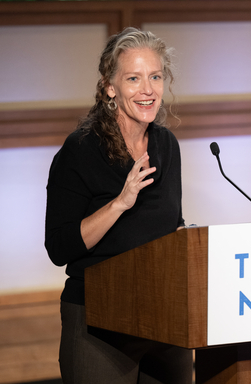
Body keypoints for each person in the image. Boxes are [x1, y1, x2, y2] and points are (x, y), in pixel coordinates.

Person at [45, 27, 192, 383]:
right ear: (110, 87)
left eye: (155, 76)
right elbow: (60, 247)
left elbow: (169, 224)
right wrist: (120, 204)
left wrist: (189, 240)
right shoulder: (80, 151)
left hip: (161, 317)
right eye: (133, 78)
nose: (148, 90)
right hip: (98, 322)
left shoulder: (166, 145)